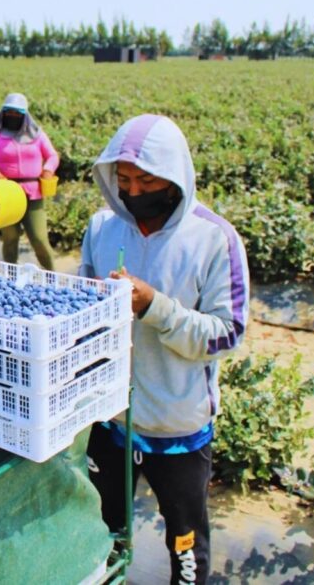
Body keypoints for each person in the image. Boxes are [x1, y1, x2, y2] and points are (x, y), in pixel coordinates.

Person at [80, 114, 249, 584]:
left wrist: (155, 306)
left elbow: (228, 332)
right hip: (111, 420)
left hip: (177, 427)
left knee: (185, 545)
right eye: (125, 180)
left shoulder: (214, 240)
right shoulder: (101, 229)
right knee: (101, 533)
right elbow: (79, 306)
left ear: (175, 179)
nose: (134, 193)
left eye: (147, 180)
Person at [0, 92, 59, 270]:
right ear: (3, 113)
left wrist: (48, 169)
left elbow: (52, 155)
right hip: (7, 195)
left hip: (33, 193)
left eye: (17, 113)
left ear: (25, 115)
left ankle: (53, 275)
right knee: (10, 238)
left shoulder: (37, 135)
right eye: (9, 112)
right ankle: (10, 276)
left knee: (39, 238)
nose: (13, 116)